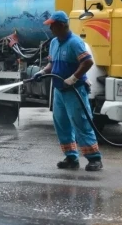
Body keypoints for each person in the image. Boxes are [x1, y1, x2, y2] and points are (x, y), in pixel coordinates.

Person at [33, 11, 103, 172]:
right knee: (62, 124)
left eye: (53, 25)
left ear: (62, 25)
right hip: (59, 90)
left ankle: (94, 159)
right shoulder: (54, 43)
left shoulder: (75, 42)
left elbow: (87, 62)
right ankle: (71, 157)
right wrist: (43, 72)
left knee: (81, 123)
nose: (50, 28)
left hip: (74, 90)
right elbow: (52, 64)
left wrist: (73, 78)